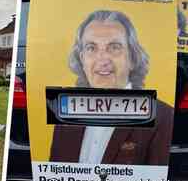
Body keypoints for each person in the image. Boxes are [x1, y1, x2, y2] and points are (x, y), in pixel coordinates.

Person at [50, 10, 174, 165]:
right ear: (82, 60)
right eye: (91, 48)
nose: (102, 59)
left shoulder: (163, 116)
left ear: (133, 58)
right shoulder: (66, 109)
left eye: (114, 47)